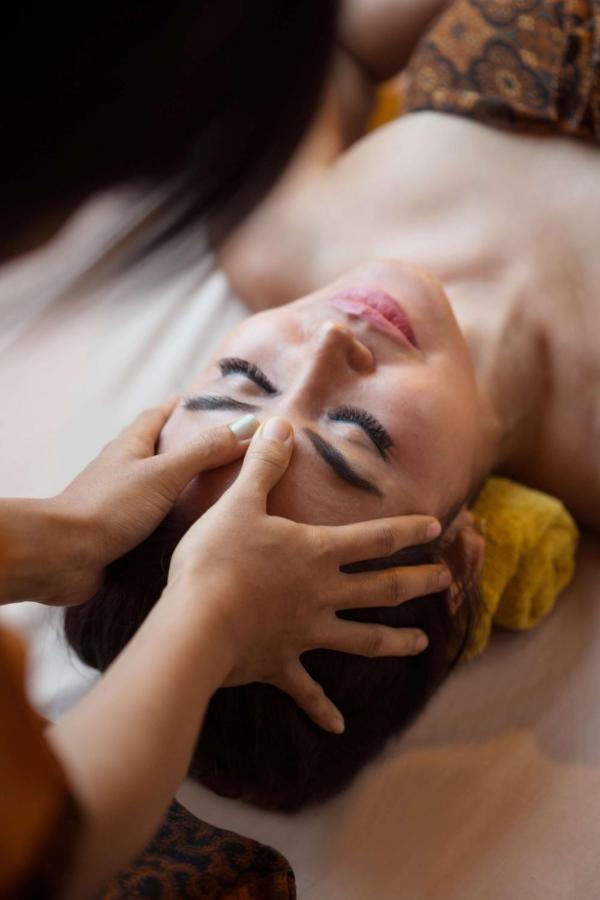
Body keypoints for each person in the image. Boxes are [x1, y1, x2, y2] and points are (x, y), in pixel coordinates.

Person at [0, 3, 450, 897]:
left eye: (241, 377)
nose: (329, 343)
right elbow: (54, 852)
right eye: (358, 440)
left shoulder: (280, 240)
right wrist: (212, 612)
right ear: (465, 552)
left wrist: (59, 538)